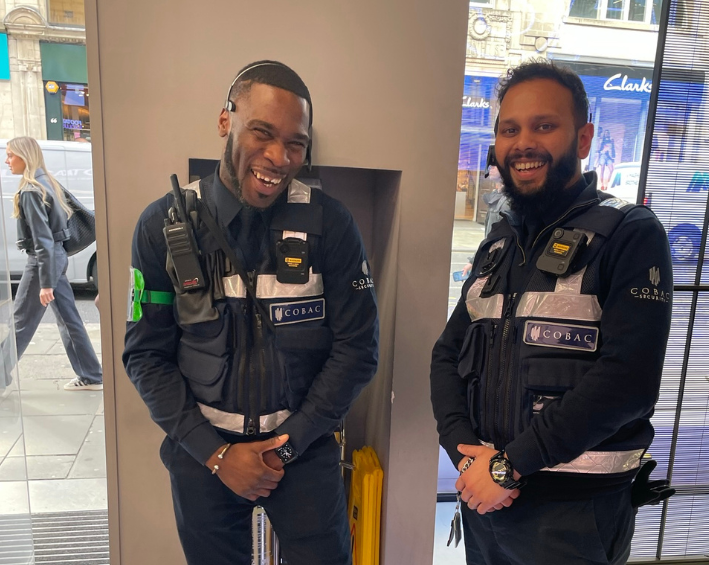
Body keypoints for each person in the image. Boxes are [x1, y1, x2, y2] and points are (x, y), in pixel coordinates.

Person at [122, 61, 379, 565]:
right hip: (202, 455)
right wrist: (217, 456)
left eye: (296, 143)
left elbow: (358, 349)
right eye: (262, 132)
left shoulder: (331, 225)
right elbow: (145, 358)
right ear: (226, 122)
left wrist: (285, 447)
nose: (279, 157)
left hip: (302, 451)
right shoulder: (162, 227)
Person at [430, 60, 674, 565]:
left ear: (583, 139)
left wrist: (507, 468)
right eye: (509, 129)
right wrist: (463, 453)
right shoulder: (498, 244)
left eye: (545, 126)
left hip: (573, 520)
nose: (523, 143)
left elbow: (628, 383)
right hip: (488, 505)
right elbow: (446, 356)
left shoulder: (629, 233)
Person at [0, 136, 103, 392]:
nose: (7, 161)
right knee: (69, 318)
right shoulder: (48, 182)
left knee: (21, 322)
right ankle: (91, 374)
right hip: (55, 258)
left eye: (10, 155)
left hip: (42, 263)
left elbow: (43, 239)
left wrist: (45, 282)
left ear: (25, 156)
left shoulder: (30, 190)